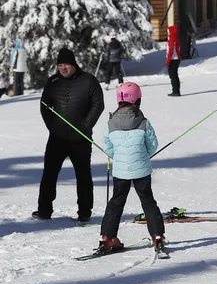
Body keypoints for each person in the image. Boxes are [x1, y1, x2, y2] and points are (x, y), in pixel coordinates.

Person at [33, 48, 105, 221]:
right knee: (49, 174)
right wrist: (52, 126)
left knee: (83, 176)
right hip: (57, 138)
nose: (63, 68)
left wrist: (86, 126)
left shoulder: (88, 80)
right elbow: (45, 105)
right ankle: (44, 210)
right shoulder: (53, 81)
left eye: (66, 64)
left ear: (73, 64)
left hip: (80, 138)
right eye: (60, 65)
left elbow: (98, 104)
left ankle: (84, 213)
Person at [99, 82, 167, 256]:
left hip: (121, 170)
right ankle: (157, 236)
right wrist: (142, 156)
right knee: (148, 201)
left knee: (116, 202)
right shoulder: (143, 121)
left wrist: (120, 157)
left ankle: (107, 238)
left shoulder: (111, 122)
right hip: (141, 168)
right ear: (137, 100)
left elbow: (106, 145)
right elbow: (152, 145)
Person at [166, 26, 181, 97]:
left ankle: (175, 91)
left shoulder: (172, 40)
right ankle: (176, 90)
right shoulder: (176, 39)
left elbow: (170, 52)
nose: (168, 32)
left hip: (173, 59)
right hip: (176, 59)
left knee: (173, 75)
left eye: (168, 31)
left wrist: (167, 61)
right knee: (174, 75)